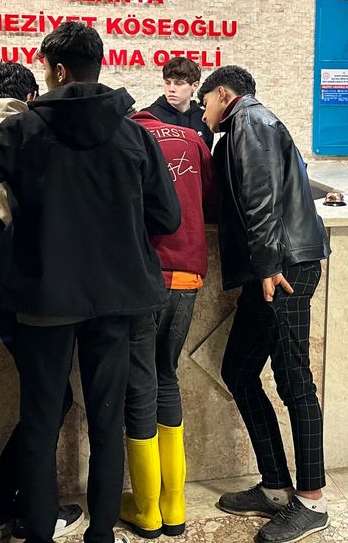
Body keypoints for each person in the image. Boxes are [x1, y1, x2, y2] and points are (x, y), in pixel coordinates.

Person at [0, 21, 180, 543]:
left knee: (41, 421)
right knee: (107, 422)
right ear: (98, 66)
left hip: (43, 295)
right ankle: (101, 536)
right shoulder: (135, 134)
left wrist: (2, 243)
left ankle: (39, 535)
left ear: (57, 70)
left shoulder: (23, 130)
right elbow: (167, 217)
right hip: (118, 297)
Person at [197, 66, 331, 543]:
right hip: (271, 270)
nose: (204, 112)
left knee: (295, 383)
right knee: (238, 371)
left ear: (223, 94)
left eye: (205, 102)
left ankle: (311, 502)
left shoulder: (249, 121)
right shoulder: (245, 125)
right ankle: (275, 486)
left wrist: (269, 264)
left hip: (283, 271)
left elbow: (261, 197)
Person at [0, 62, 85, 543]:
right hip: (35, 285)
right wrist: (4, 245)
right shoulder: (34, 130)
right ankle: (5, 511)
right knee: (53, 399)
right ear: (30, 95)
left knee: (46, 397)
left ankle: (2, 509)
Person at [118, 106, 216, 539]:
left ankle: (147, 510)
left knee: (139, 384)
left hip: (144, 279)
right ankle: (174, 506)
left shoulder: (124, 140)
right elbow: (210, 201)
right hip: (188, 275)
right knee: (166, 376)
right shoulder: (192, 138)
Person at [144, 56, 213, 149]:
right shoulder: (148, 116)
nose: (171, 89)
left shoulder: (204, 119)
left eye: (178, 83)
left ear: (194, 86)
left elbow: (206, 155)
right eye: (167, 83)